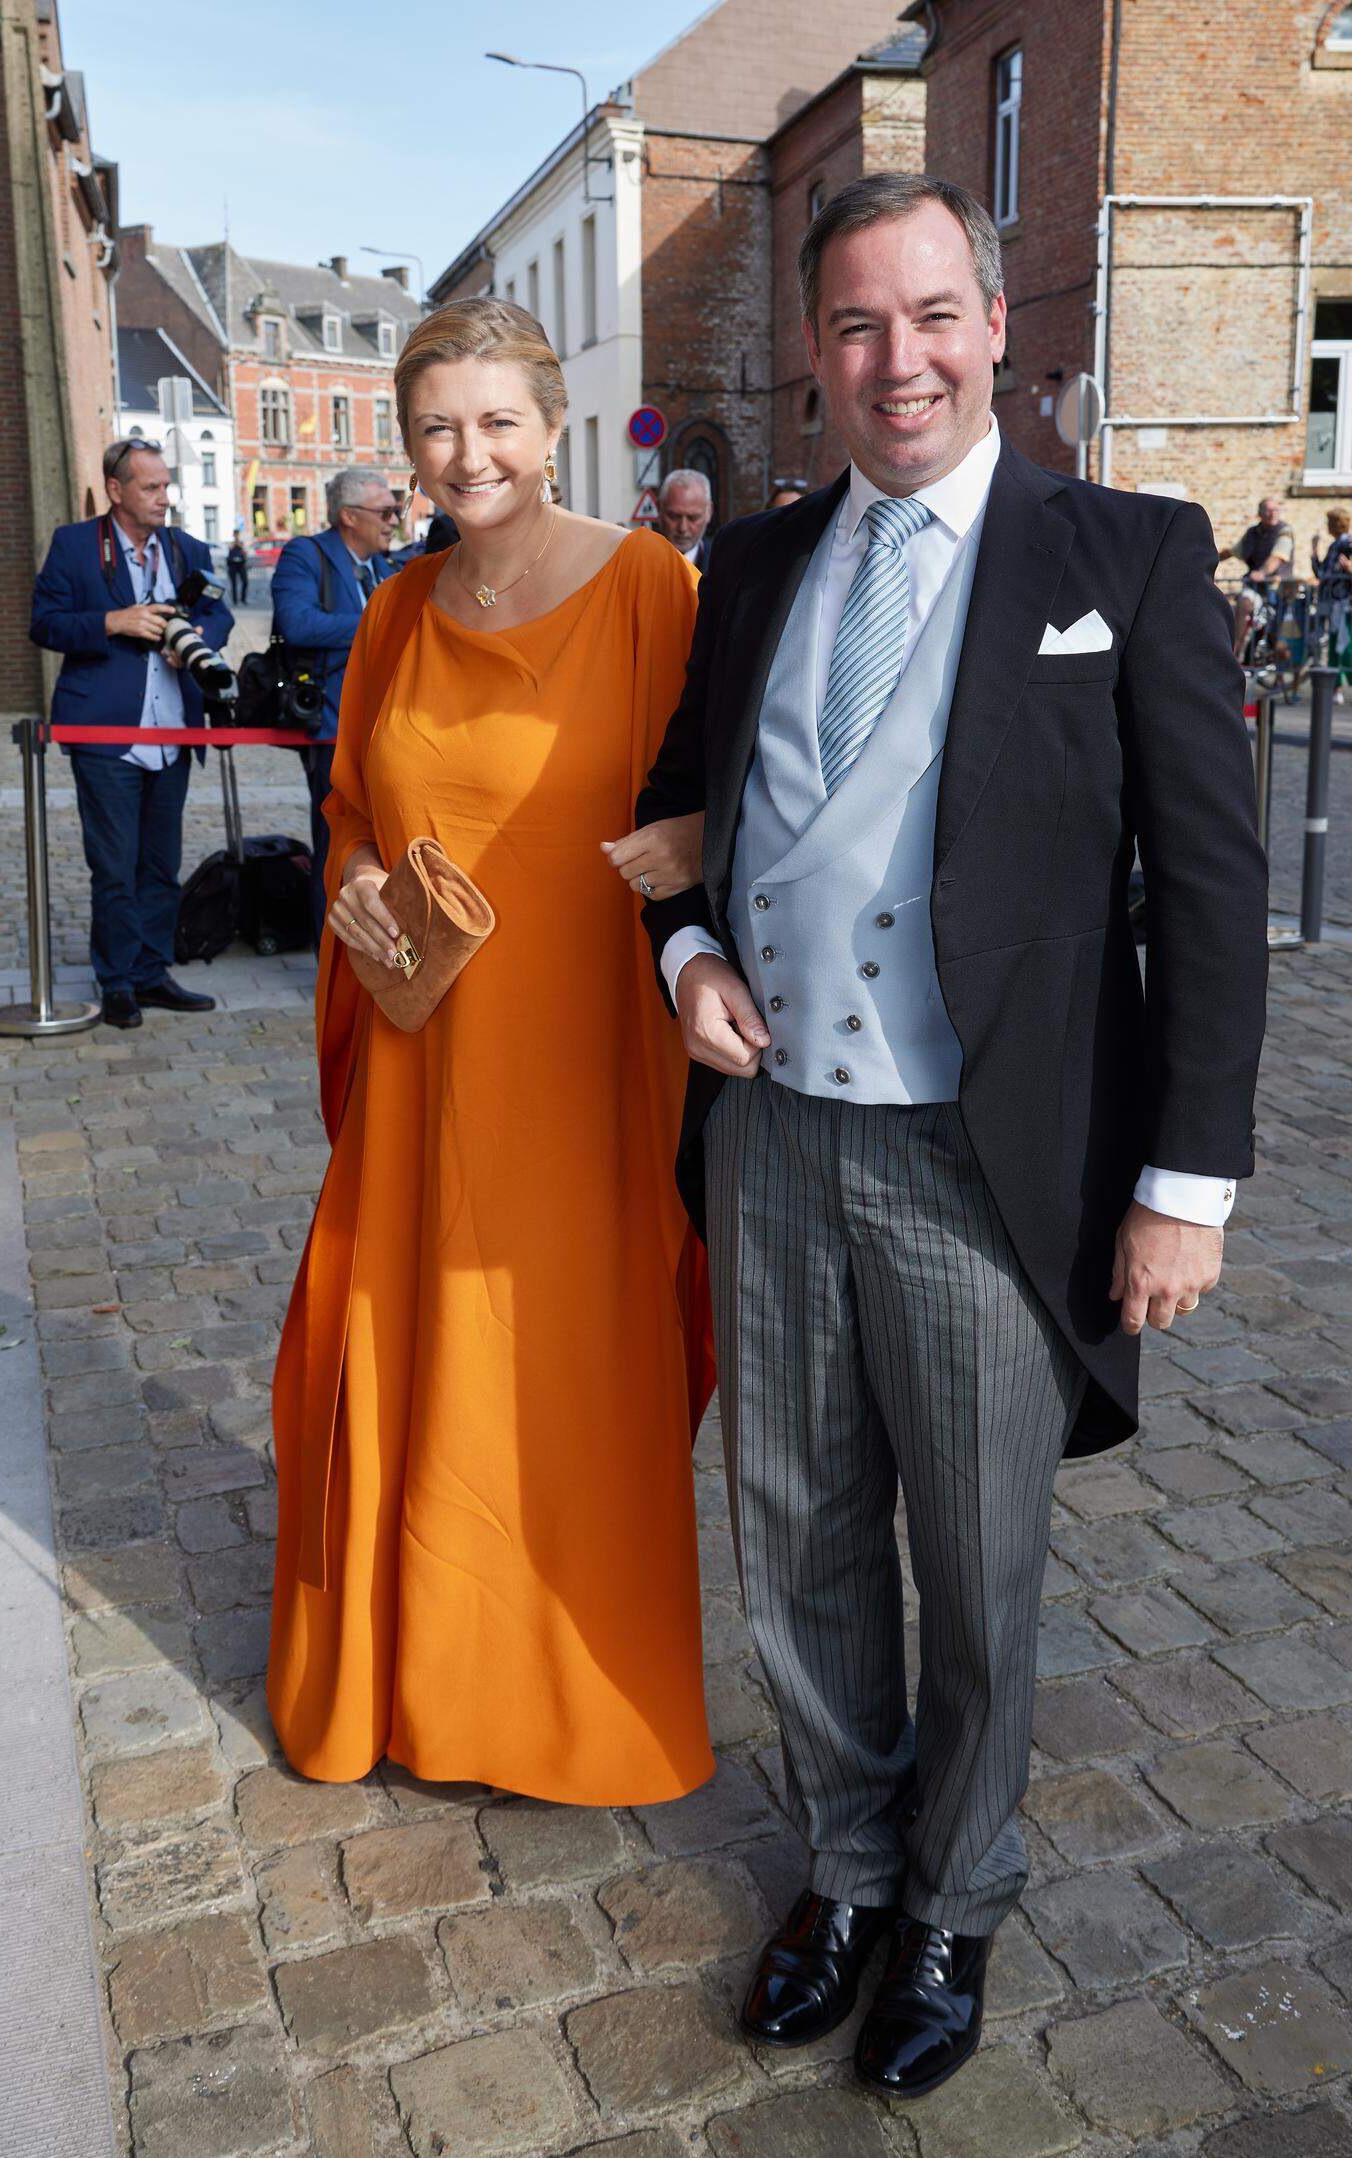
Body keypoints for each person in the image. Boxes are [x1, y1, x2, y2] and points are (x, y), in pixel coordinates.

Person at [632, 174, 1267, 2098]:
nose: (893, 358)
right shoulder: (750, 565)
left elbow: (1218, 893)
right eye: (853, 324)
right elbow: (675, 808)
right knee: (797, 1535)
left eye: (929, 315)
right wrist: (680, 957)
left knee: (979, 1566)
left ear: (995, 324)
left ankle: (958, 1895)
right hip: (778, 1136)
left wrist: (1183, 1184)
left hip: (987, 1159)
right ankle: (841, 1864)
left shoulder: (1132, 557)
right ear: (812, 355)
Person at [266, 298, 717, 1806]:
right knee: (412, 1341)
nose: (471, 455)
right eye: (439, 430)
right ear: (408, 450)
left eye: (499, 423)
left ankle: (576, 1702)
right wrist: (345, 878)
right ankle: (420, 1680)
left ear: (554, 426)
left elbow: (738, 775)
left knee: (570, 1361)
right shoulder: (393, 611)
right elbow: (349, 805)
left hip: (587, 1058)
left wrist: (696, 831)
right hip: (423, 1054)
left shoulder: (650, 584)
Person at [30, 439, 233, 1029]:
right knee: (114, 865)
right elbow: (44, 623)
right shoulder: (74, 545)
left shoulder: (186, 546)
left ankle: (151, 971)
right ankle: (115, 979)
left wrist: (195, 640)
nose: (164, 498)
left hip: (174, 732)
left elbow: (218, 611)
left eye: (167, 486)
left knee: (159, 863)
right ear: (116, 491)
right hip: (104, 731)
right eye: (151, 488)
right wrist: (111, 622)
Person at [270, 468, 397, 942]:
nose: (393, 522)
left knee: (381, 844)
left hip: (386, 728)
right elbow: (298, 622)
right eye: (384, 512)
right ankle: (332, 952)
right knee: (338, 845)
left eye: (394, 511)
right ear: (349, 516)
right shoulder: (307, 554)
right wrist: (380, 620)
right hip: (332, 726)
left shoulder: (382, 567)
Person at [1218, 495, 1294, 651]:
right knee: (1243, 604)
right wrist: (1208, 559)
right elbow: (1233, 551)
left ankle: (1280, 672)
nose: (1273, 513)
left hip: (1280, 591)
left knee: (1280, 636)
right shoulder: (1252, 533)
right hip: (1256, 588)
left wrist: (1262, 573)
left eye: (1276, 510)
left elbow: (1277, 557)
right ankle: (1235, 651)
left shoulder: (1284, 531)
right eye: (1269, 510)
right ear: (1260, 513)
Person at [1311, 505, 1352, 688]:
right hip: (1334, 602)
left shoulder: (1347, 545)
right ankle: (1335, 686)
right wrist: (1314, 551)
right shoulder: (1335, 546)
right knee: (1336, 643)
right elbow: (1322, 573)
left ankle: (1345, 683)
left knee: (1346, 645)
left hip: (1346, 603)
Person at [659, 468, 715, 570]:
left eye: (693, 518)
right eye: (674, 517)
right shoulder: (636, 562)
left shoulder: (726, 566)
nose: (683, 528)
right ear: (660, 510)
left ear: (709, 512)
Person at [226, 532, 249, 605]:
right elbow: (229, 549)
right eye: (235, 535)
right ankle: (235, 600)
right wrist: (234, 543)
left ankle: (243, 599)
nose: (236, 536)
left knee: (245, 581)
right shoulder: (231, 543)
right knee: (234, 583)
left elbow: (245, 552)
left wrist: (239, 544)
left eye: (237, 535)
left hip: (241, 564)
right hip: (232, 565)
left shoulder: (241, 543)